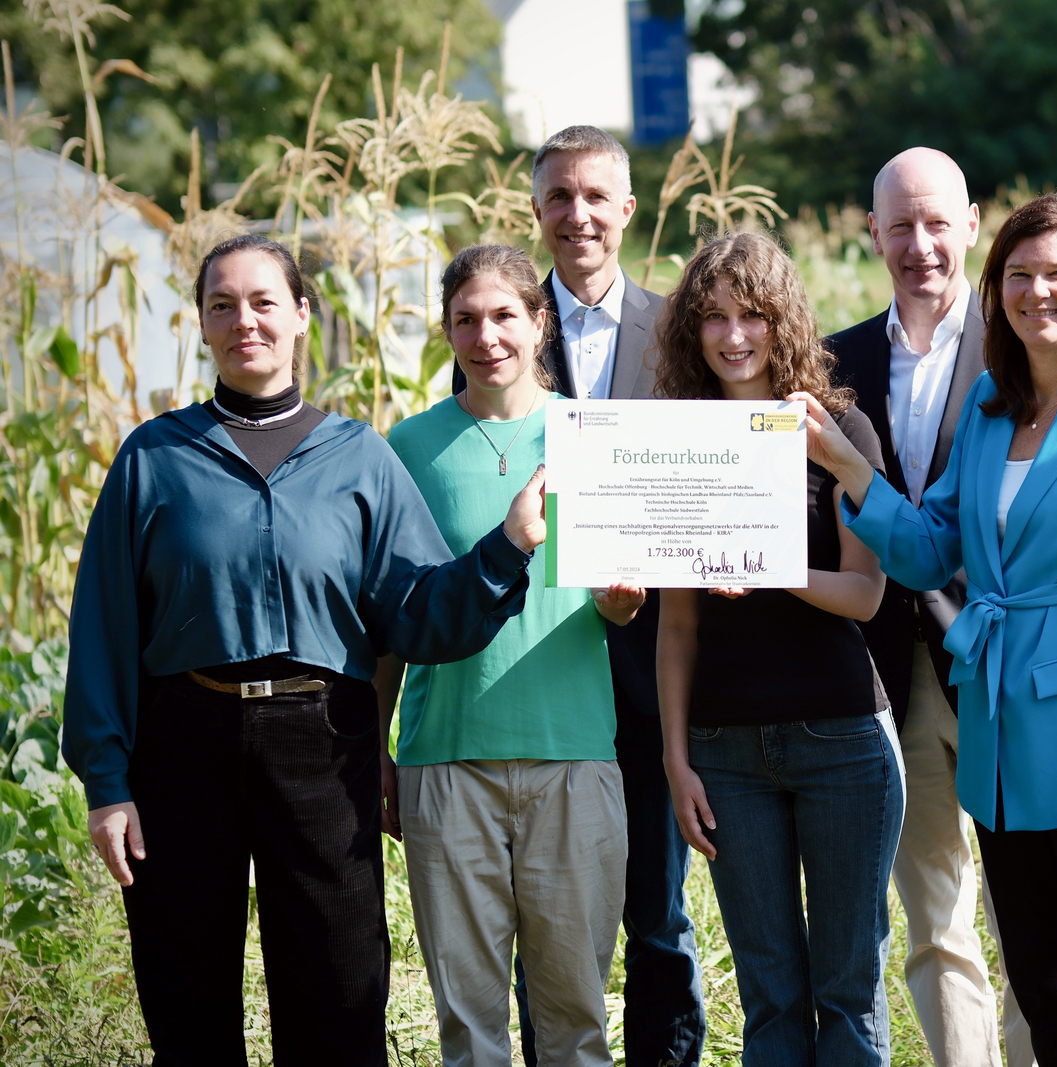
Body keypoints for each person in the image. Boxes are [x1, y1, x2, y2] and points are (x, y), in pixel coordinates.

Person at [63, 234, 548, 1065]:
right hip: (183, 745)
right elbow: (102, 627)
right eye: (223, 305)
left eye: (262, 302)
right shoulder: (155, 457)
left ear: (300, 314)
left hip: (325, 744)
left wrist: (504, 549)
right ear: (204, 326)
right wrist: (107, 784)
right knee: (186, 992)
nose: (243, 320)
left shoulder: (359, 456)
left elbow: (419, 612)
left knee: (339, 986)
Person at [800, 191, 1057, 1066]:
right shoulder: (989, 407)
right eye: (1019, 276)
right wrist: (846, 465)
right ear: (997, 290)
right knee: (1046, 989)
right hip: (1003, 752)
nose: (1037, 292)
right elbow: (931, 549)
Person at [451, 124, 705, 1067]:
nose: (578, 214)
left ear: (628, 210)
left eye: (596, 196)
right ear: (536, 210)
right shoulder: (501, 326)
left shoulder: (680, 327)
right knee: (548, 923)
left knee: (657, 915)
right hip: (541, 667)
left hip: (647, 672)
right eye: (559, 197)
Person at [377, 245, 646, 1066]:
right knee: (469, 1022)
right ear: (447, 329)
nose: (485, 336)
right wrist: (372, 747)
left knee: (576, 1020)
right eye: (465, 319)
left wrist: (623, 602)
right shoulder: (406, 448)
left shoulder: (595, 435)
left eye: (503, 316)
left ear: (539, 322)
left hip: (574, 757)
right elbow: (394, 616)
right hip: (445, 760)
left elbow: (619, 596)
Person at [655, 231, 905, 1066]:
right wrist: (676, 759)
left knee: (848, 990)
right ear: (690, 330)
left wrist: (768, 565)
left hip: (841, 740)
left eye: (753, 315)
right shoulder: (679, 446)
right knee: (769, 996)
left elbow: (865, 595)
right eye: (714, 317)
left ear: (783, 321)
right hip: (724, 755)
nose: (734, 336)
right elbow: (677, 626)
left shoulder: (837, 430)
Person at [827, 147, 1036, 1067]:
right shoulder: (835, 361)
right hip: (884, 671)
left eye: (937, 222)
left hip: (1003, 664)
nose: (920, 244)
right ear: (871, 231)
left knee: (1030, 907)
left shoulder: (1027, 342)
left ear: (972, 224)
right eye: (900, 225)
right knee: (934, 914)